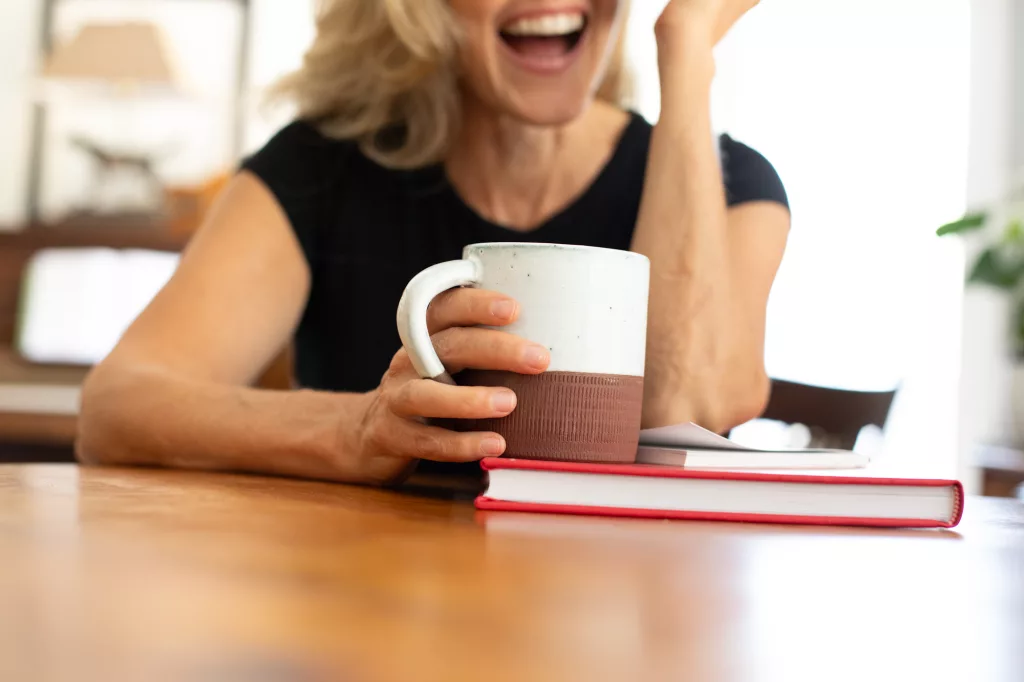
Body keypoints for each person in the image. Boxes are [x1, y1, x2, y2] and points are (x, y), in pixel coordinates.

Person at [77, 0, 790, 485]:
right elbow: (117, 407)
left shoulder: (734, 186)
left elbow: (684, 408)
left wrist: (687, 50)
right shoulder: (316, 170)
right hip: (370, 610)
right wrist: (355, 427)